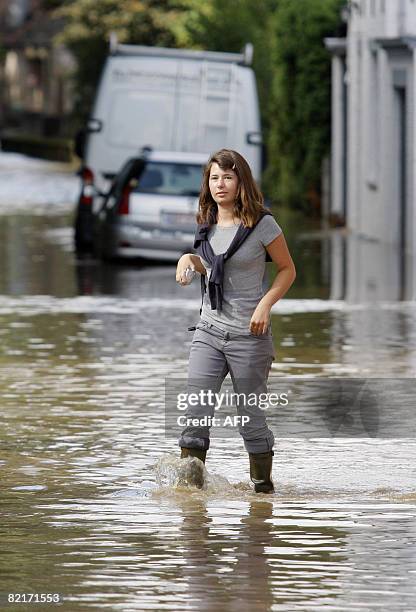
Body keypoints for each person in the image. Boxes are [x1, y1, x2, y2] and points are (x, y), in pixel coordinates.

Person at [175, 149, 296, 493]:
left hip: (249, 337)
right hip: (208, 332)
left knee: (251, 423)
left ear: (241, 181)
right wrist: (189, 259)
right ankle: (190, 503)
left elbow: (288, 269)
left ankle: (263, 495)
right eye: (214, 178)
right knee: (194, 418)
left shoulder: (262, 224)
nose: (220, 184)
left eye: (228, 177)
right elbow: (210, 264)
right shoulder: (206, 220)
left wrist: (265, 305)